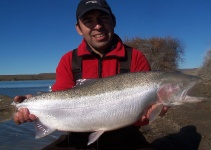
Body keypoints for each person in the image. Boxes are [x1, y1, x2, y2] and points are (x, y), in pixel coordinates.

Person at [14, 0, 167, 149]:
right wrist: (32, 105)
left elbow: (142, 119)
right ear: (79, 28)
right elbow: (58, 106)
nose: (98, 26)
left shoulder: (135, 57)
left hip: (126, 137)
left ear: (113, 21)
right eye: (88, 21)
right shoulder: (68, 60)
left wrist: (147, 116)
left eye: (103, 18)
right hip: (77, 138)